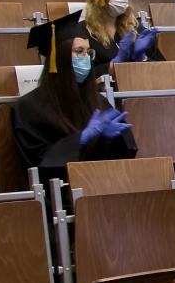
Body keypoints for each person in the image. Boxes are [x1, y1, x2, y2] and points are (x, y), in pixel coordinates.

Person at [9, 12, 136, 179]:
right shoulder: (27, 108)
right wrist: (80, 140)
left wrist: (107, 142)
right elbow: (37, 163)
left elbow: (121, 157)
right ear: (59, 58)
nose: (85, 58)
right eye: (78, 51)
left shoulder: (97, 100)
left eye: (88, 52)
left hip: (100, 184)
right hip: (61, 191)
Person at [78, 0, 163, 74]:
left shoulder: (137, 31)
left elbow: (163, 70)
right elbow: (78, 76)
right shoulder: (81, 33)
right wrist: (112, 67)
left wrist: (143, 59)